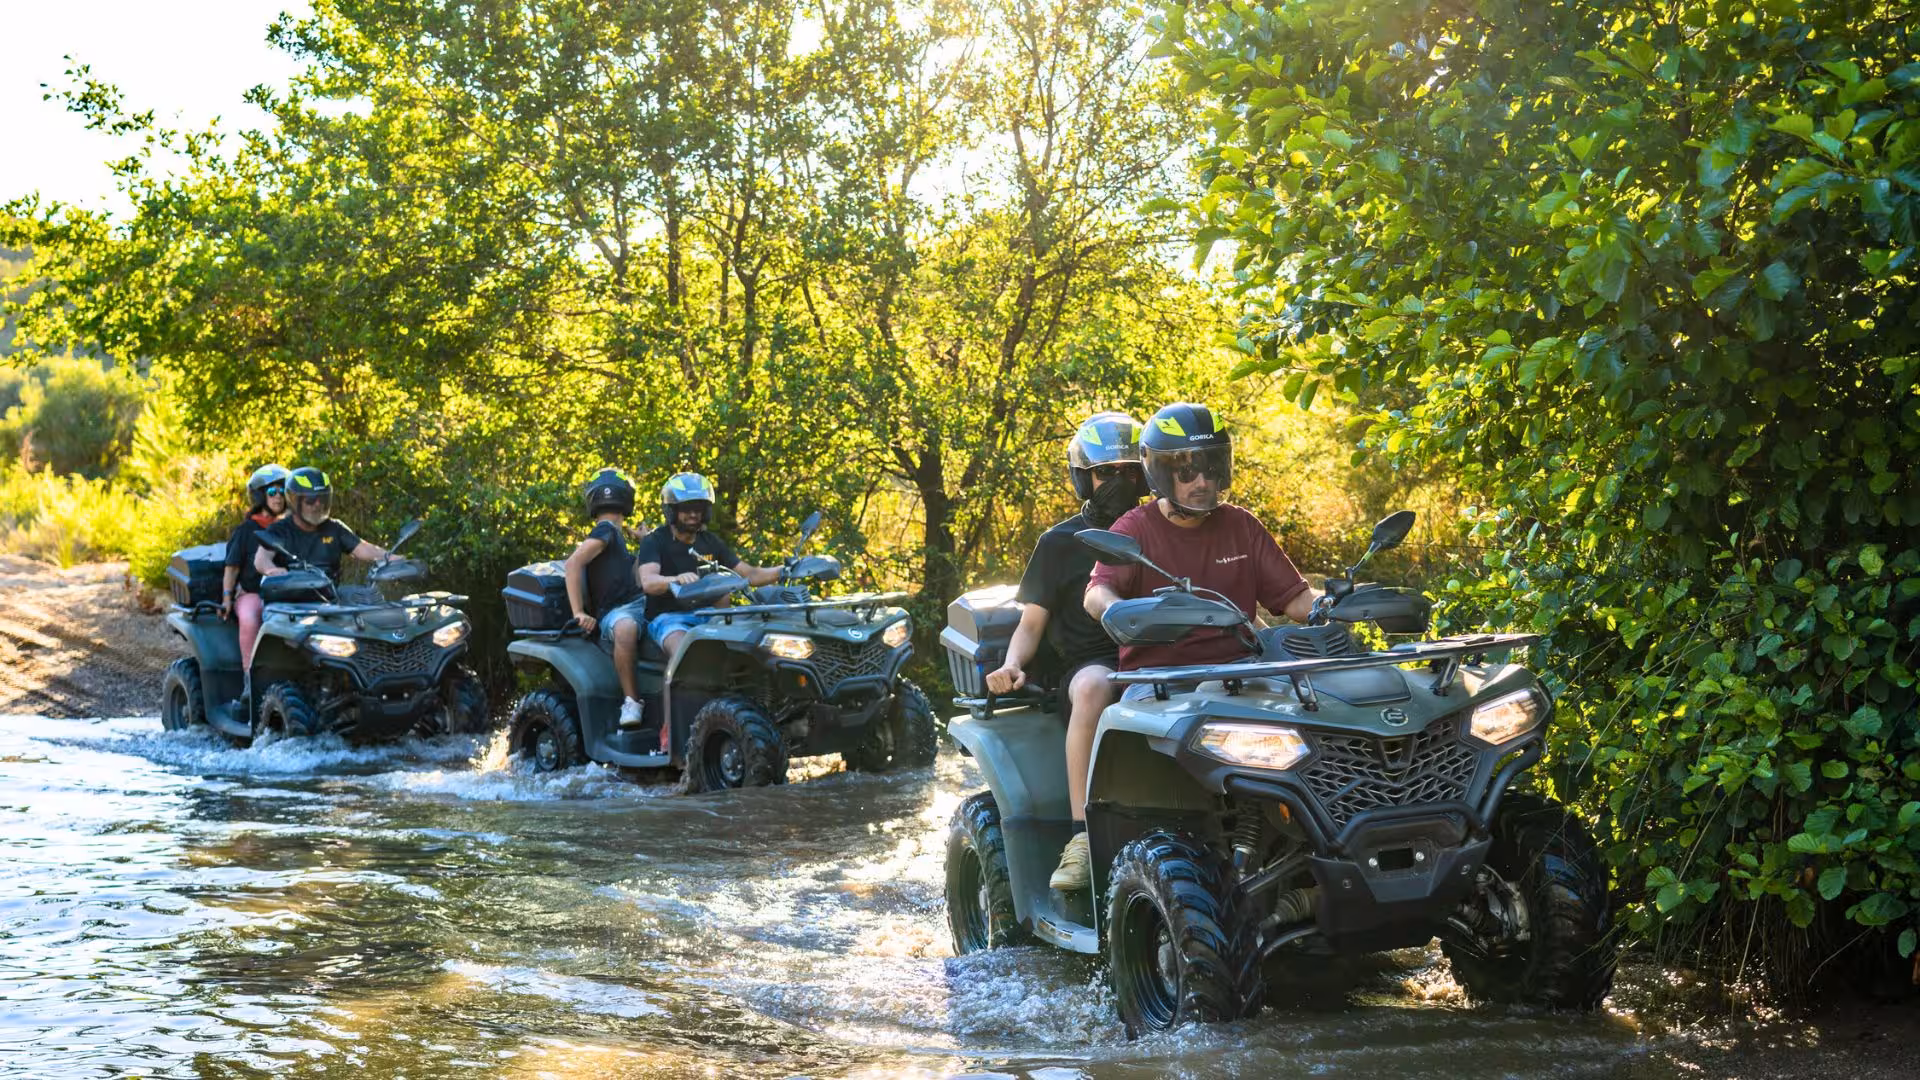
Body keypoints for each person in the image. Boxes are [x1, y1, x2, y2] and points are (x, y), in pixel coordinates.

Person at [1061, 402, 1321, 892]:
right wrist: (1114, 608)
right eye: (1185, 471)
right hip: (1158, 685)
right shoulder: (1133, 529)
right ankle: (1103, 849)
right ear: (1160, 474)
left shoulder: (1241, 525)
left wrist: (1338, 607)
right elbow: (1097, 589)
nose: (1201, 481)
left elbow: (1295, 599)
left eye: (1210, 468)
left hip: (1245, 678)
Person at [983, 412, 1149, 892]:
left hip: (1162, 657)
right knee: (1096, 686)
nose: (1118, 483)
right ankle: (1081, 836)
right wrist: (1012, 664)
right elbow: (1031, 622)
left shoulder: (1161, 531)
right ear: (1084, 478)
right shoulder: (1058, 543)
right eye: (1106, 473)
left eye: (1129, 472)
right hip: (1092, 663)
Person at [636, 473, 784, 678]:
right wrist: (676, 579)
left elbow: (750, 574)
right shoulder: (654, 541)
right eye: (686, 508)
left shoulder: (710, 541)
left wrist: (785, 570)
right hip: (668, 618)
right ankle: (681, 705)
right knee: (684, 653)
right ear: (672, 510)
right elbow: (649, 582)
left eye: (698, 508)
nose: (693, 514)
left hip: (709, 616)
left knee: (758, 648)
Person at [561, 468, 652, 733]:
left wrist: (646, 544)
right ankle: (632, 701)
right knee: (625, 628)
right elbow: (573, 564)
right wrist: (579, 612)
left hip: (637, 604)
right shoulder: (606, 531)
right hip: (617, 612)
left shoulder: (617, 536)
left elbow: (637, 579)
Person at [254, 467, 391, 585]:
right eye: (311, 500)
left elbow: (364, 549)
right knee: (278, 617)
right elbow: (261, 559)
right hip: (287, 603)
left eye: (322, 499)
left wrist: (393, 558)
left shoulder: (334, 528)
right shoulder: (280, 529)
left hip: (328, 599)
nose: (318, 504)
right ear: (295, 501)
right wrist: (272, 570)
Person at [220, 464, 288, 672]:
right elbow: (231, 568)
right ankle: (250, 676)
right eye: (272, 492)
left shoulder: (289, 529)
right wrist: (226, 598)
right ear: (260, 497)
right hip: (252, 594)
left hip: (286, 595)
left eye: (283, 491)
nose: (278, 497)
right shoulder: (246, 530)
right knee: (250, 618)